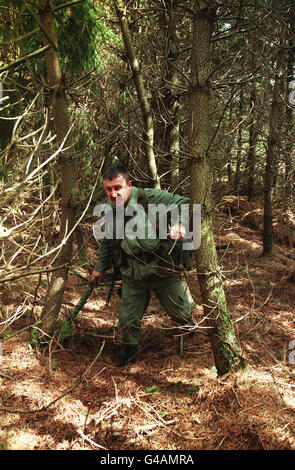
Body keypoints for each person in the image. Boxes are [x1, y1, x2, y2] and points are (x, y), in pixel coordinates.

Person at [91, 165, 195, 368]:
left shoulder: (152, 198)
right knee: (127, 318)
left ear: (129, 185)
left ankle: (192, 338)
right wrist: (100, 268)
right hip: (134, 275)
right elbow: (108, 242)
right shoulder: (111, 210)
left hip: (164, 272)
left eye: (117, 187)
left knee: (181, 312)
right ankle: (128, 352)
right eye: (108, 189)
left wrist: (180, 224)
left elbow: (184, 202)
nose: (113, 193)